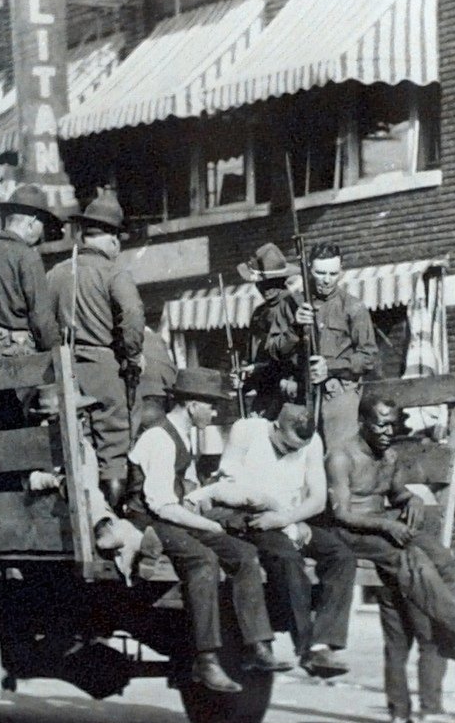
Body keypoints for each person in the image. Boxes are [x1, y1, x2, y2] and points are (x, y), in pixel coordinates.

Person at [329, 396, 455, 723]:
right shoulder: (341, 456)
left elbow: (396, 493)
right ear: (362, 422)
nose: (387, 431)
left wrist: (412, 498)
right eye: (380, 424)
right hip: (352, 534)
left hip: (383, 526)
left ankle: (409, 700)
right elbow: (341, 513)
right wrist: (385, 524)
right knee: (413, 559)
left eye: (392, 424)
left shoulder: (389, 455)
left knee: (444, 558)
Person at [125, 366, 286, 693]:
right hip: (149, 519)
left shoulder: (183, 434)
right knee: (202, 560)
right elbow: (160, 504)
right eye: (210, 404)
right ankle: (206, 658)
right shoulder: (159, 437)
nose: (214, 412)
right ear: (191, 404)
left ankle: (257, 646)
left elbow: (185, 494)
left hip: (175, 513)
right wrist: (208, 523)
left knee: (244, 555)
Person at [191, 404, 357, 678]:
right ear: (276, 426)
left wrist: (288, 519)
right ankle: (305, 649)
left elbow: (317, 500)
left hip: (287, 519)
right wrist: (281, 520)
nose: (292, 452)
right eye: (286, 446)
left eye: (297, 449)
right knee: (286, 558)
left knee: (342, 555)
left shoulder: (311, 442)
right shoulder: (246, 431)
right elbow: (234, 487)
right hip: (252, 516)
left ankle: (323, 642)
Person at [48, 192, 145, 500]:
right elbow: (132, 314)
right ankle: (112, 530)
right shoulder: (114, 271)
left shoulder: (56, 273)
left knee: (77, 448)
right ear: (114, 239)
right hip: (104, 368)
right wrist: (132, 356)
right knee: (112, 453)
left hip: (65, 370)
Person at [25, 383, 159, 583]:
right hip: (49, 512)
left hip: (81, 511)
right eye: (52, 420)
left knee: (90, 495)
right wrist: (57, 480)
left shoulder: (82, 447)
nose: (80, 423)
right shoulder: (32, 444)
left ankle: (130, 539)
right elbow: (32, 480)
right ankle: (122, 537)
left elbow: (89, 483)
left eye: (81, 417)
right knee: (84, 492)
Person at [265, 241, 377, 450]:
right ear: (309, 269)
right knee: (297, 459)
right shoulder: (291, 304)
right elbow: (273, 350)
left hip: (339, 398)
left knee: (338, 458)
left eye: (333, 274)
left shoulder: (353, 307)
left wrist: (331, 367)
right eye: (320, 273)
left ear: (341, 272)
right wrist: (294, 328)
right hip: (299, 398)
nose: (326, 280)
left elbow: (369, 356)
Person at [0, 184, 61, 360]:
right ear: (32, 222)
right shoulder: (27, 257)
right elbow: (41, 319)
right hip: (18, 354)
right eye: (42, 224)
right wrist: (58, 351)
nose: (42, 232)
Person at [235, 243, 301, 420]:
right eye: (261, 284)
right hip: (264, 392)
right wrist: (244, 372)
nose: (266, 289)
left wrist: (259, 368)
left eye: (272, 282)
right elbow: (251, 354)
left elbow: (293, 354)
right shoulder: (258, 313)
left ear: (283, 279)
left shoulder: (295, 307)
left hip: (288, 393)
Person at [132, 324, 177, 436]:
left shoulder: (126, 337)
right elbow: (171, 377)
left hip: (135, 403)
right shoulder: (157, 341)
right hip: (156, 404)